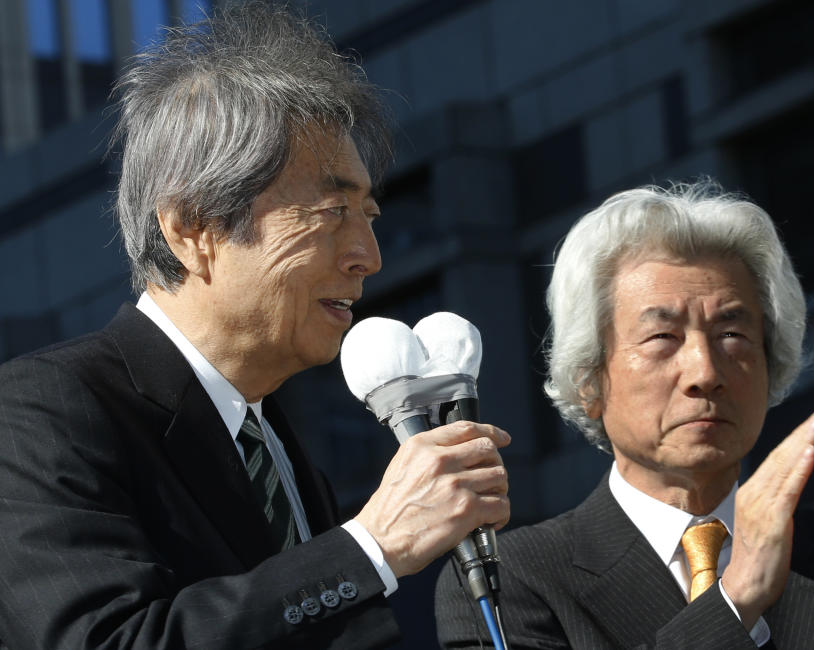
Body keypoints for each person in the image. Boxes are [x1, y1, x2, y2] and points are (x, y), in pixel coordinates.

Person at [0, 4, 510, 649]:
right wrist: (371, 545)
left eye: (370, 215)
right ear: (192, 227)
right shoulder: (40, 415)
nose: (368, 257)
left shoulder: (275, 448)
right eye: (331, 212)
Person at [435, 181, 814, 648]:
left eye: (732, 334)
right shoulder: (507, 580)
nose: (704, 370)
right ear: (589, 380)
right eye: (663, 337)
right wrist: (736, 599)